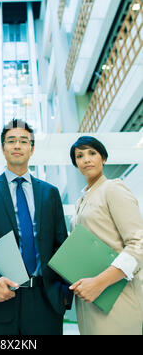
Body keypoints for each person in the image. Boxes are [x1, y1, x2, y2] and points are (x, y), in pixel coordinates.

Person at [0, 119, 72, 335]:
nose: (17, 145)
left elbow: (61, 244)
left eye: (23, 140)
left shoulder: (50, 193)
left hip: (45, 300)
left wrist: (63, 291)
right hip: (0, 296)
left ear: (32, 148)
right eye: (11, 141)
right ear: (3, 148)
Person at [69, 135, 143, 335]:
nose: (86, 159)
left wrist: (99, 282)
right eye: (79, 156)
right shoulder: (81, 201)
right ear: (76, 164)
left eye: (92, 153)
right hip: (89, 297)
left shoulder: (113, 189)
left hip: (117, 293)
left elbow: (138, 244)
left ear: (103, 157)